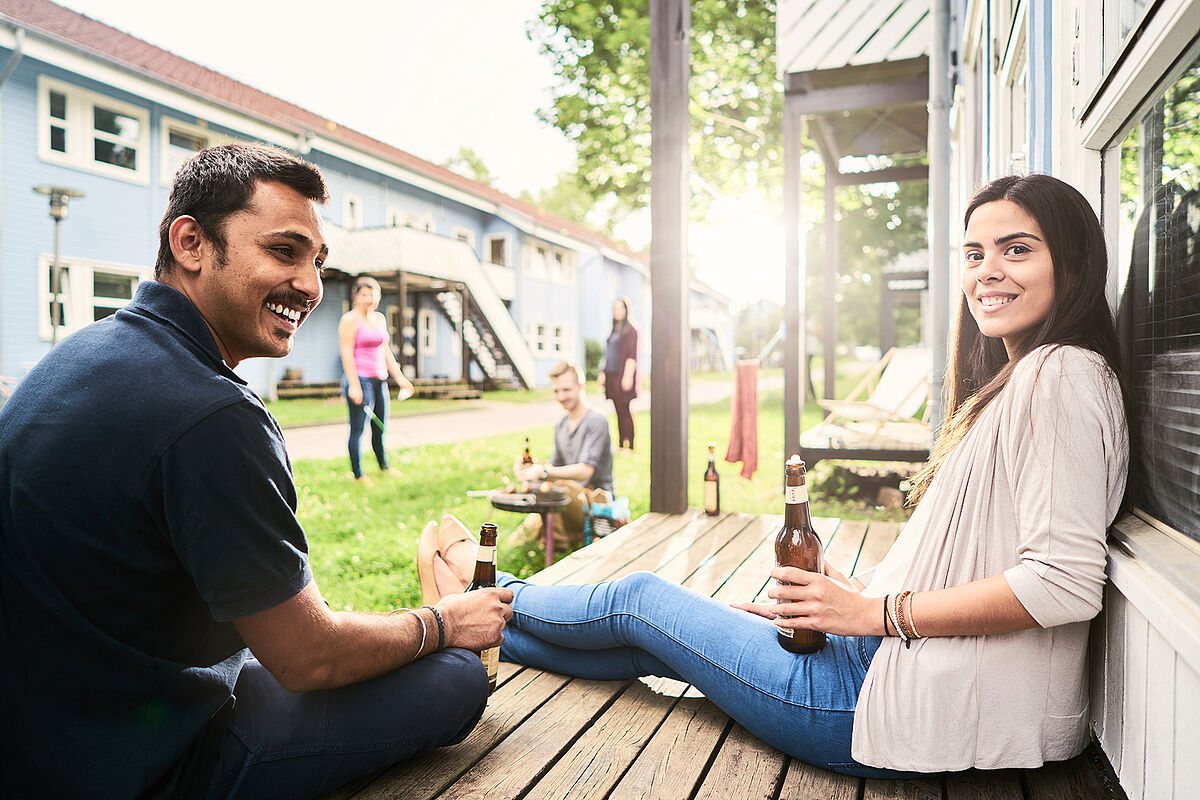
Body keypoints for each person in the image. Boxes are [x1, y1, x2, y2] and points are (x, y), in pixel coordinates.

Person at [419, 174, 1132, 777]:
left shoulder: (1059, 375)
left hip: (881, 703)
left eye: (1018, 250)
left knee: (638, 598)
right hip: (884, 668)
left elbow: (1064, 582)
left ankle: (475, 594)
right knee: (643, 640)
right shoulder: (1030, 377)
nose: (987, 271)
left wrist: (873, 615)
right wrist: (859, 599)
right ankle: (474, 626)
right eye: (975, 253)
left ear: (1070, 263)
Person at [0, 143, 513, 800]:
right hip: (148, 763)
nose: (310, 284)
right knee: (459, 679)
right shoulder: (212, 414)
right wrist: (441, 621)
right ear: (191, 242)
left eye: (319, 261)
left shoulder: (82, 354)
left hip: (48, 730)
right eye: (285, 251)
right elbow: (308, 657)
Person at [506, 360, 616, 556]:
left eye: (566, 390)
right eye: (556, 391)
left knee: (553, 490)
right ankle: (565, 537)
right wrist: (531, 468)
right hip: (567, 498)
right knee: (517, 542)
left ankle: (558, 548)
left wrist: (545, 472)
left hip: (596, 502)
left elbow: (585, 471)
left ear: (581, 387)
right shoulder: (561, 425)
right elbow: (553, 466)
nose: (561, 397)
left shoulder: (597, 421)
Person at [338, 274, 415, 486]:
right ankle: (358, 475)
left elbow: (386, 352)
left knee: (379, 428)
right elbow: (346, 353)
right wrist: (353, 385)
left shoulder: (379, 318)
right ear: (356, 296)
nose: (369, 299)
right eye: (364, 295)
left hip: (379, 380)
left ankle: (384, 467)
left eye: (373, 295)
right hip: (360, 380)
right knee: (358, 430)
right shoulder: (349, 320)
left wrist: (400, 379)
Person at [598, 297, 639, 452]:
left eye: (620, 308)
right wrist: (602, 372)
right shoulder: (614, 329)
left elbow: (632, 355)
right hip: (611, 375)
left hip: (623, 375)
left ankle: (631, 445)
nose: (617, 311)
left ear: (626, 310)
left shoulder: (631, 330)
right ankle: (621, 443)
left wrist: (628, 376)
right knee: (618, 410)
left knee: (626, 410)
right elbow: (608, 353)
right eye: (615, 309)